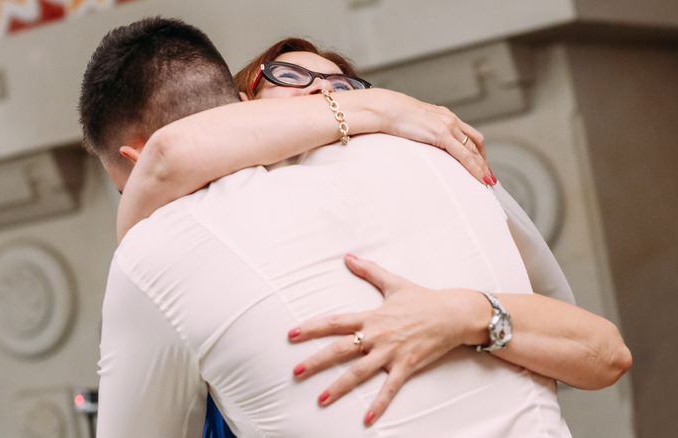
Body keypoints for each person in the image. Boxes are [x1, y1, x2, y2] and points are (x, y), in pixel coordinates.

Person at [79, 17, 630, 437]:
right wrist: (386, 109)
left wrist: (465, 314)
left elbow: (602, 350)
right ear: (244, 104)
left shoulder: (437, 155)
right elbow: (172, 156)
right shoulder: (423, 144)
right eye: (291, 77)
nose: (322, 96)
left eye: (346, 91)